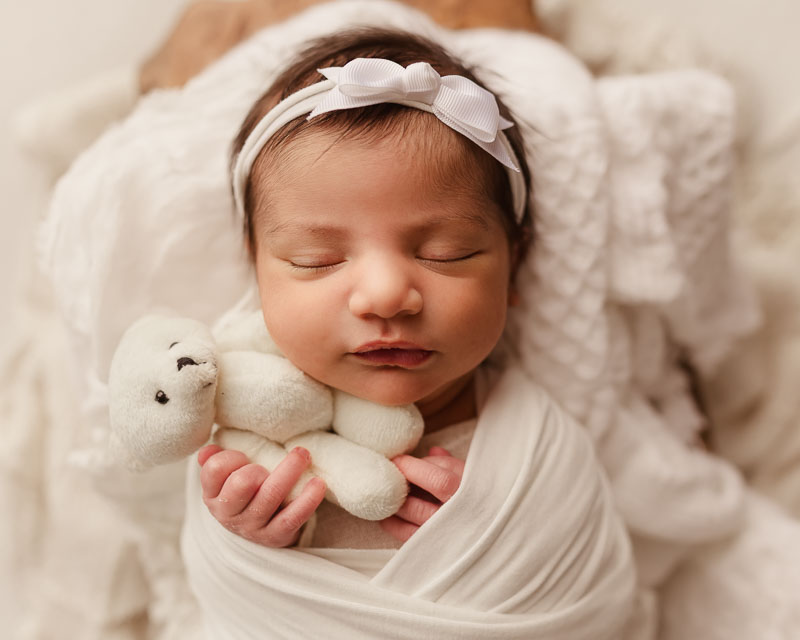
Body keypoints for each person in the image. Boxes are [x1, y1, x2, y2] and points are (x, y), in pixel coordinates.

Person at [180, 27, 637, 638]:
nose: (386, 295)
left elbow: (597, 598)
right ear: (256, 269)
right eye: (317, 259)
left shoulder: (536, 449)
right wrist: (244, 529)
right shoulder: (251, 431)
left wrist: (498, 526)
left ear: (515, 267)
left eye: (447, 253)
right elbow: (225, 596)